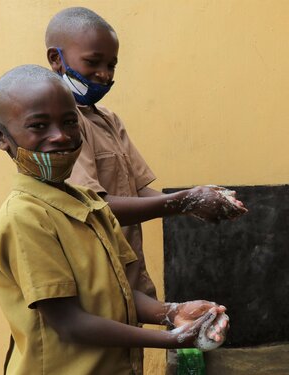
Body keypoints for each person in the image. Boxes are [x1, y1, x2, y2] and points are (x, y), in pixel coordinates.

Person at [0, 65, 229, 375]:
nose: (59, 136)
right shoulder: (24, 218)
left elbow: (123, 294)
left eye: (70, 122)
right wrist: (174, 339)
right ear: (1, 138)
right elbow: (71, 324)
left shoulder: (90, 205)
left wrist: (173, 312)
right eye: (38, 126)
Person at [44, 7, 247, 299]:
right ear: (56, 59)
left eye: (112, 65)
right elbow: (96, 208)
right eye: (93, 62)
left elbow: (139, 191)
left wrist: (197, 200)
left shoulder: (108, 120)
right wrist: (185, 202)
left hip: (126, 277)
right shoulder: (65, 129)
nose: (104, 74)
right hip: (93, 281)